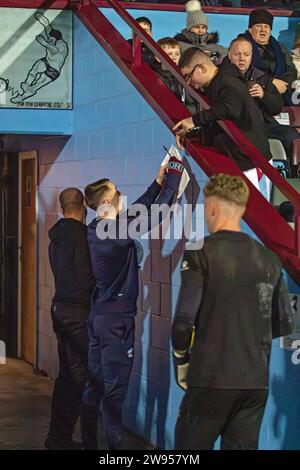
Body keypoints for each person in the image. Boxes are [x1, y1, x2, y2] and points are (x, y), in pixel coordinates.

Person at [172, 173, 294, 450]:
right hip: (254, 381)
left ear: (212, 207)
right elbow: (285, 323)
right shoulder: (269, 258)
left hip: (210, 377)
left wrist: (181, 362)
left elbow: (182, 323)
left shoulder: (200, 250)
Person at [81, 156, 185, 450]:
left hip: (101, 317)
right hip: (115, 323)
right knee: (114, 393)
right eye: (117, 193)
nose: (122, 196)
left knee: (95, 385)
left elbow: (138, 209)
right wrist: (176, 173)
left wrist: (157, 181)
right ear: (107, 202)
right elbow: (156, 214)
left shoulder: (99, 228)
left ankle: (89, 443)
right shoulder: (114, 234)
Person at [46, 188, 95, 450]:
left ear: (61, 206)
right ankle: (64, 440)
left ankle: (57, 437)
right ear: (84, 205)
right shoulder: (84, 238)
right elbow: (86, 279)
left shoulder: (55, 236)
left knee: (66, 376)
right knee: (78, 378)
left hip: (60, 311)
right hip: (78, 315)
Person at [173, 47, 273, 172]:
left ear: (201, 68)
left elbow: (230, 108)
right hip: (243, 157)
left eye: (188, 76)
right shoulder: (217, 82)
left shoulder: (227, 81)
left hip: (252, 162)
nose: (188, 82)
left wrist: (194, 120)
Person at [227, 37, 300, 172]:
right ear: (229, 54)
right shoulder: (221, 76)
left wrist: (263, 95)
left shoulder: (260, 76)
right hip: (234, 127)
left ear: (251, 56)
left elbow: (276, 107)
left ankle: (291, 174)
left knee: (291, 135)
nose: (242, 58)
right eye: (237, 54)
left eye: (246, 55)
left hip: (262, 124)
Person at [238, 8, 298, 106]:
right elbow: (242, 71)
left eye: (266, 26)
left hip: (280, 92)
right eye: (259, 26)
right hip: (254, 94)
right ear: (250, 29)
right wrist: (271, 84)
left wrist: (283, 84)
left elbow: (291, 70)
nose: (263, 29)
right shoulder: (241, 45)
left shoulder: (279, 47)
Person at [11, 11, 69, 103]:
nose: (50, 41)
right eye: (49, 39)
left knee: (37, 84)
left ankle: (20, 98)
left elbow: (54, 51)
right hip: (47, 61)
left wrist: (44, 43)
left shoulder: (62, 45)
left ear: (57, 40)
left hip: (54, 70)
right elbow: (47, 25)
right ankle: (26, 84)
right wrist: (40, 17)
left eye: (52, 41)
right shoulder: (51, 34)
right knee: (35, 67)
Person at [152, 37, 198, 114]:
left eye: (177, 54)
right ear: (158, 58)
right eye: (169, 54)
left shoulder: (186, 75)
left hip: (192, 116)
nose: (174, 57)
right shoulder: (157, 77)